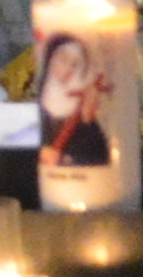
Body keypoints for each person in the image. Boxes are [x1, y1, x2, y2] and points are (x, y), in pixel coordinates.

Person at [37, 33, 113, 173]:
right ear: (50, 58)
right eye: (63, 59)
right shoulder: (34, 104)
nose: (68, 68)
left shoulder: (83, 112)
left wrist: (66, 160)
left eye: (75, 64)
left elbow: (99, 157)